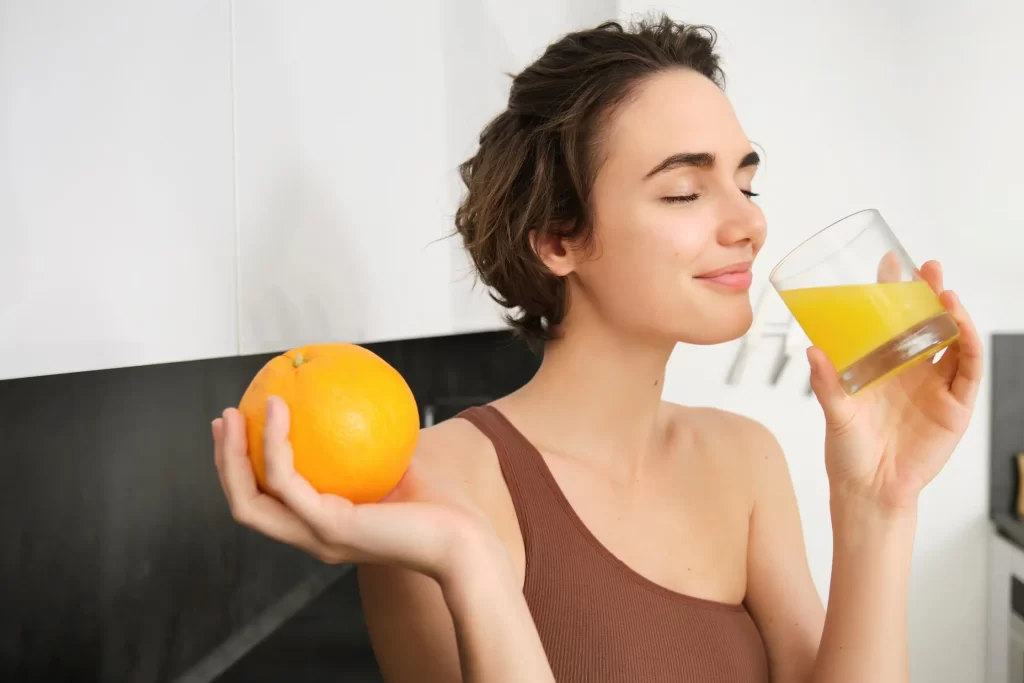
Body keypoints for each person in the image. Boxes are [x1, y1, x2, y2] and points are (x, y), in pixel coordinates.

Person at [211, 14, 982, 683]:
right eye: (684, 192)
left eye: (745, 184)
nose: (748, 223)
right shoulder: (435, 484)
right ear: (557, 239)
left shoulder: (745, 460)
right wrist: (470, 564)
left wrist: (879, 502)